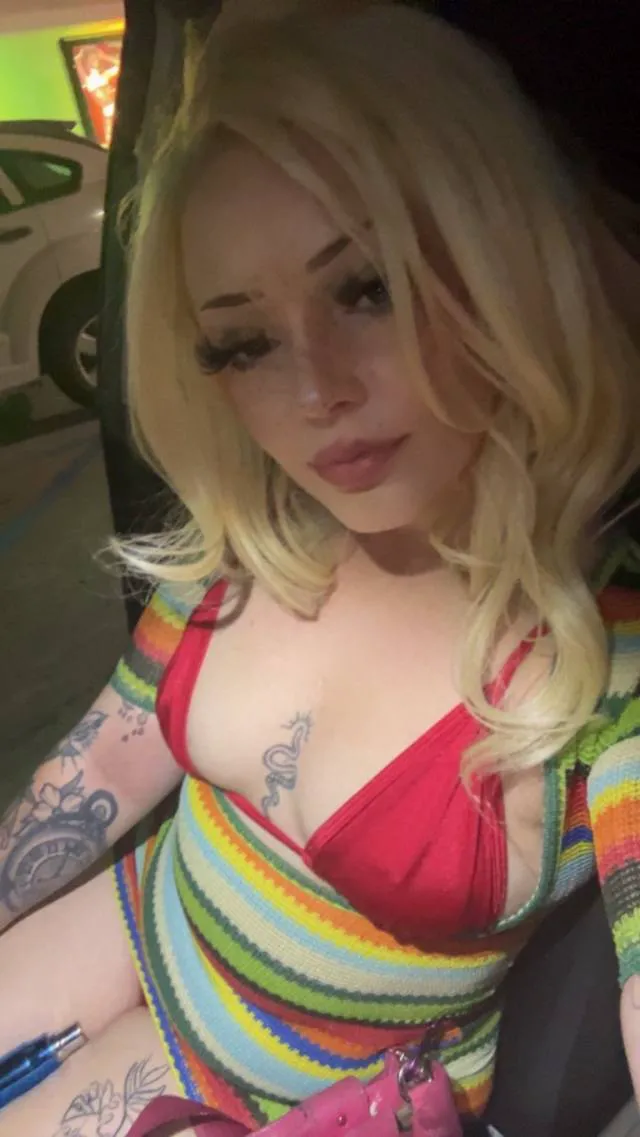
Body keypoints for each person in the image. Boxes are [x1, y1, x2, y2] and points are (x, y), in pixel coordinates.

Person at [1, 2, 640, 1135]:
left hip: (299, 1097)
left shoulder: (607, 665)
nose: (313, 390)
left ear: (505, 263)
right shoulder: (247, 548)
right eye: (243, 342)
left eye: (369, 288)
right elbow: (98, 764)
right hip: (135, 920)